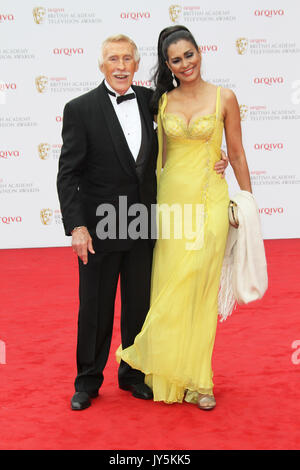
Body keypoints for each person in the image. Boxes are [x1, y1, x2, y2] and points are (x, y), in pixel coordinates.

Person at [57, 33, 228, 411]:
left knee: (139, 305)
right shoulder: (79, 108)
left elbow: (187, 138)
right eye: (113, 59)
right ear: (102, 65)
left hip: (145, 221)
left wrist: (218, 159)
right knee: (95, 307)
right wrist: (77, 227)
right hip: (101, 224)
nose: (121, 66)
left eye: (127, 59)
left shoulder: (153, 102)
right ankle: (88, 380)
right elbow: (67, 173)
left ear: (137, 65)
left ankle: (133, 375)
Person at [119, 26, 252, 410]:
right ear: (167, 65)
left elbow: (237, 154)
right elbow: (157, 159)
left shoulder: (224, 97)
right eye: (176, 60)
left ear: (200, 52)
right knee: (170, 285)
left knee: (200, 287)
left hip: (210, 199)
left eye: (189, 55)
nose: (185, 64)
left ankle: (200, 380)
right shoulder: (162, 101)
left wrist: (246, 202)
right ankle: (170, 375)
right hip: (172, 203)